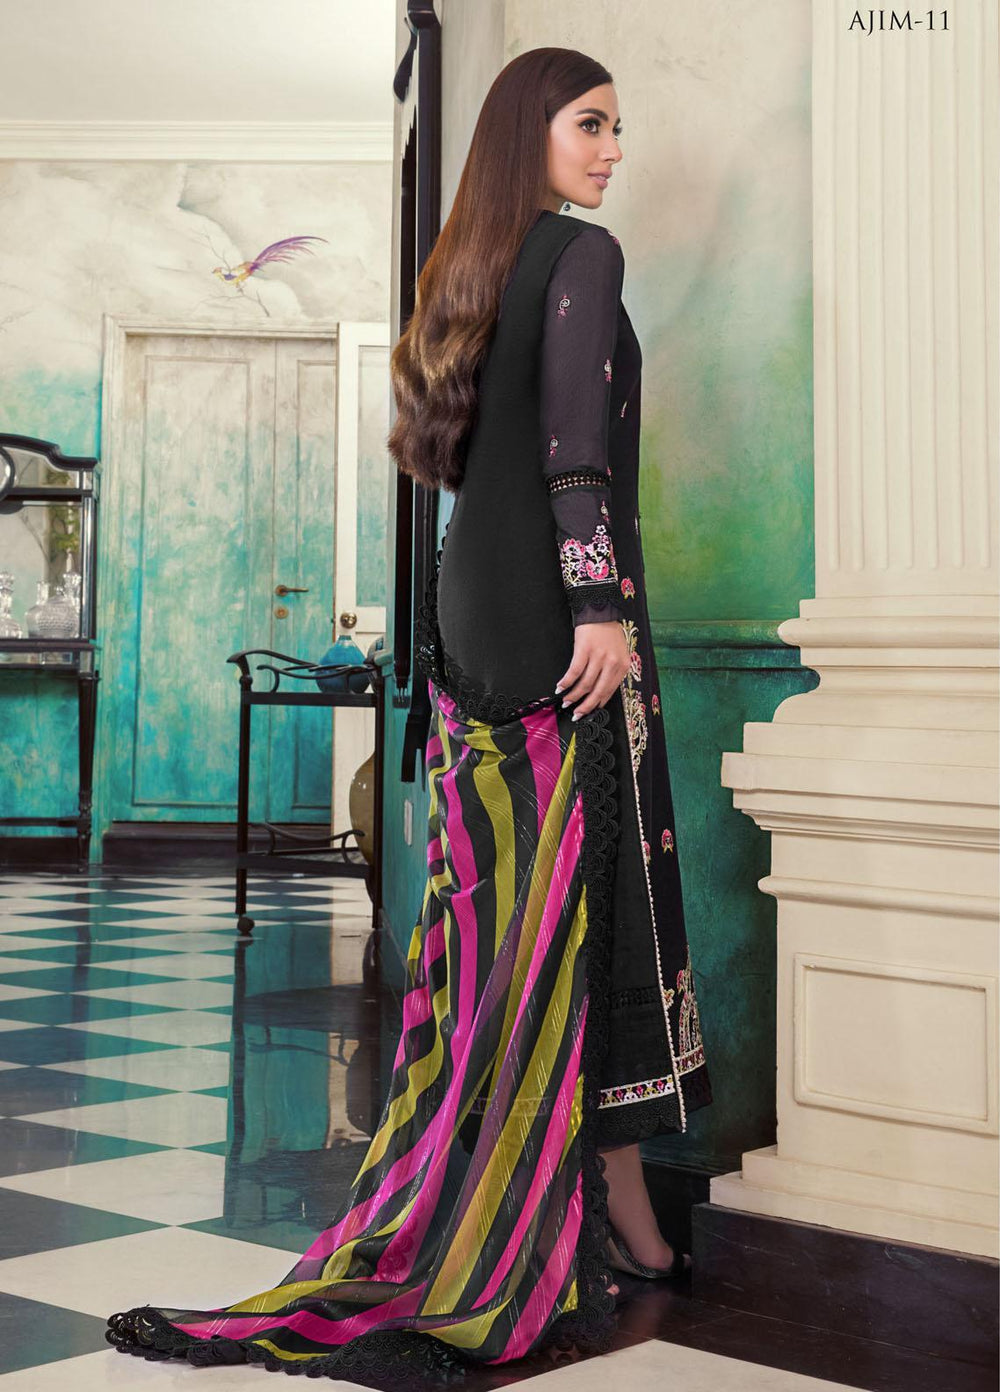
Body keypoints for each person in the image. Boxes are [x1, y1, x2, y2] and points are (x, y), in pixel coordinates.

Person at [105, 46, 712, 1386]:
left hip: (470, 626)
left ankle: (622, 1208)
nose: (614, 149)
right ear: (529, 130)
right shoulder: (582, 255)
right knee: (568, 930)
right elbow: (571, 452)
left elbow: (462, 476)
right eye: (592, 123)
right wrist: (599, 604)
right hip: (559, 625)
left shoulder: (468, 269)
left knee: (517, 942)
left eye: (618, 127)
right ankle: (527, 1233)